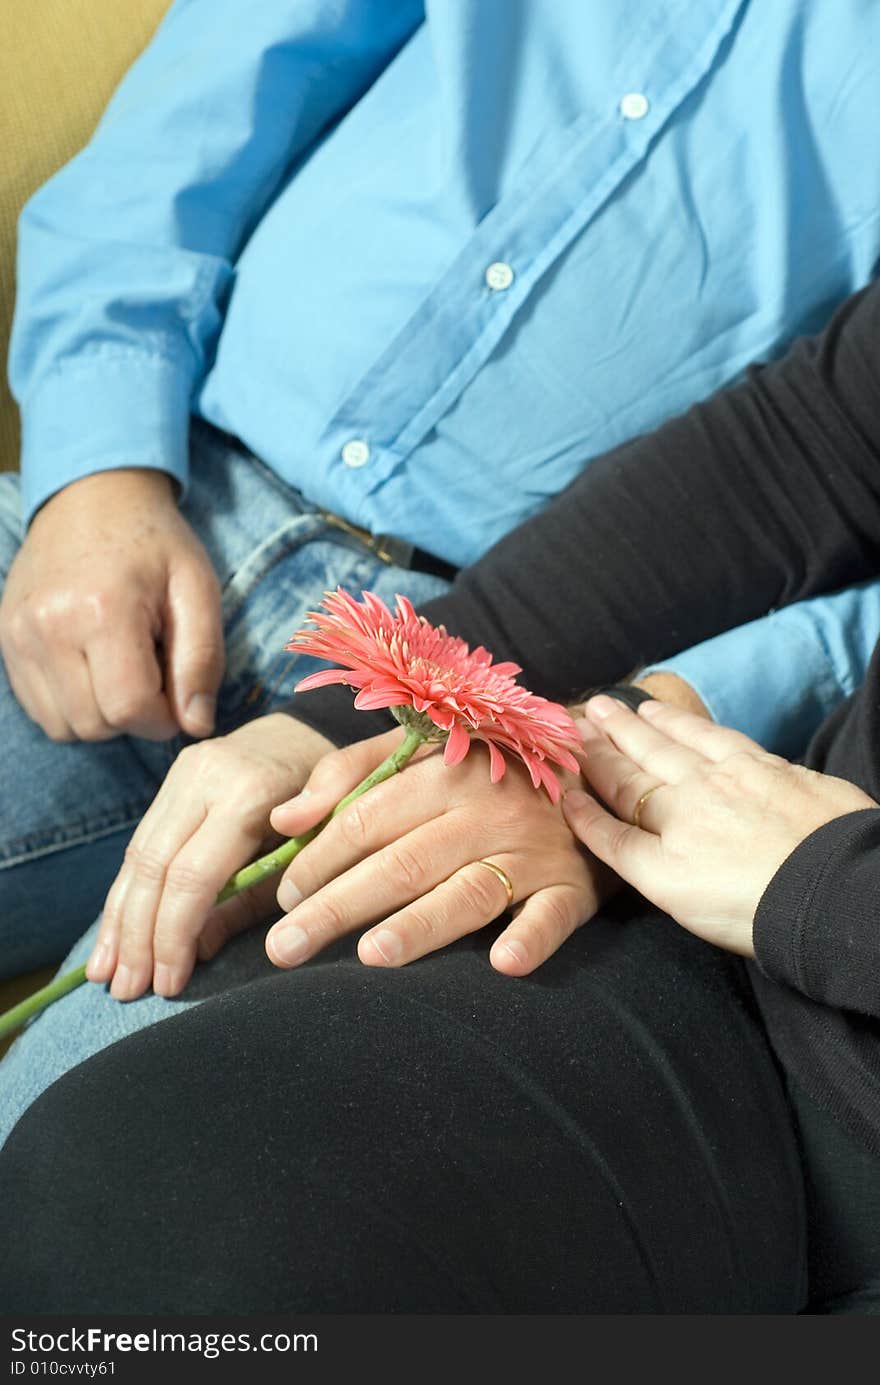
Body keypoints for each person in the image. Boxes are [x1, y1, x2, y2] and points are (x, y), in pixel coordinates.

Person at [2, 0, 880, 1119]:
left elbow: (823, 470)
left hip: (523, 697)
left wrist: (618, 741)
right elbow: (216, 90)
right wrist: (96, 460)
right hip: (173, 497)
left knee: (80, 1117)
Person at [2, 276, 880, 1314]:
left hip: (802, 928)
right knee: (107, 1161)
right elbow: (803, 447)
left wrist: (821, 881)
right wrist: (364, 717)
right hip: (742, 974)